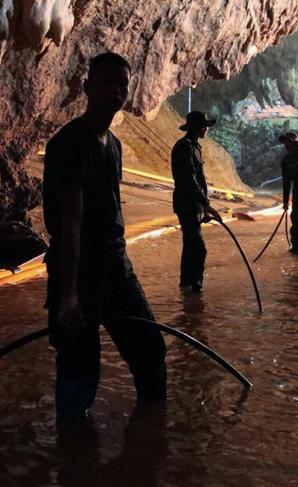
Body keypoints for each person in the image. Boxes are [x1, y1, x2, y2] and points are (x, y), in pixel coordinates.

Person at [42, 52, 167, 421]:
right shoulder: (69, 143)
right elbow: (70, 223)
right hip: (78, 272)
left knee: (150, 350)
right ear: (87, 87)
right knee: (79, 375)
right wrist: (67, 297)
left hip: (116, 265)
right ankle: (75, 461)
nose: (116, 89)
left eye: (122, 84)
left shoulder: (113, 145)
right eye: (107, 81)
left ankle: (151, 451)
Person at [171, 111, 223, 292]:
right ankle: (195, 287)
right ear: (198, 128)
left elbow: (197, 180)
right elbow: (189, 180)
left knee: (191, 244)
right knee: (199, 248)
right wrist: (207, 205)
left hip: (193, 204)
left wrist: (203, 208)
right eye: (205, 126)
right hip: (186, 204)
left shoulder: (194, 147)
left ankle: (186, 285)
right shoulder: (184, 147)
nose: (207, 129)